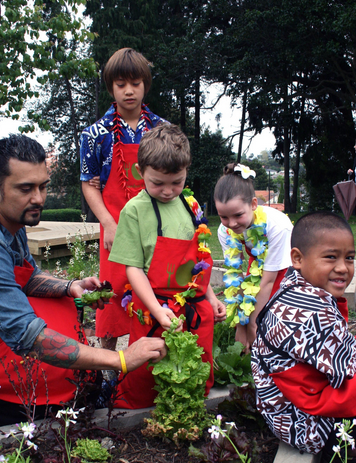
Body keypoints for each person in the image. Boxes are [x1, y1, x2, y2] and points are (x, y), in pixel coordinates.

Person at [0, 135, 166, 431]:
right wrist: (120, 359)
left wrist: (70, 287)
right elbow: (28, 339)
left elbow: (27, 277)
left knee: (63, 306)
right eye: (26, 188)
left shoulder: (11, 219)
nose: (39, 198)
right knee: (55, 364)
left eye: (43, 186)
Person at [109, 123, 226, 409]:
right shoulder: (134, 211)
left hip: (194, 306)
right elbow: (133, 269)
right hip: (154, 308)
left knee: (196, 369)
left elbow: (198, 262)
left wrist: (210, 297)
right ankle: (136, 419)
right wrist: (155, 310)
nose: (168, 191)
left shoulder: (191, 205)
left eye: (177, 182)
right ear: (141, 172)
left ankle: (193, 414)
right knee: (147, 373)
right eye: (157, 183)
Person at [80, 48, 165, 352]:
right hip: (114, 226)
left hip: (155, 226)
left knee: (155, 289)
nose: (129, 91)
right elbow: (89, 184)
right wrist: (108, 223)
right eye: (120, 84)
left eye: (136, 83)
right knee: (113, 294)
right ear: (110, 87)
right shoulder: (95, 134)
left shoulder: (161, 130)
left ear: (146, 84)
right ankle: (108, 365)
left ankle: (151, 361)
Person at [252, 212, 356, 455]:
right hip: (309, 428)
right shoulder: (313, 313)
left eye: (350, 258)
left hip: (282, 413)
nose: (343, 268)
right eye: (331, 257)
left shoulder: (292, 286)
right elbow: (349, 371)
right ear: (297, 258)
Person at [215, 163, 293, 352]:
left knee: (273, 321)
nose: (231, 223)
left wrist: (252, 324)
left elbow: (267, 281)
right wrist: (241, 323)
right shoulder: (224, 230)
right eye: (223, 217)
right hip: (258, 264)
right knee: (250, 316)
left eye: (238, 215)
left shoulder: (278, 226)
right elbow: (237, 277)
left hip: (285, 269)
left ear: (253, 204)